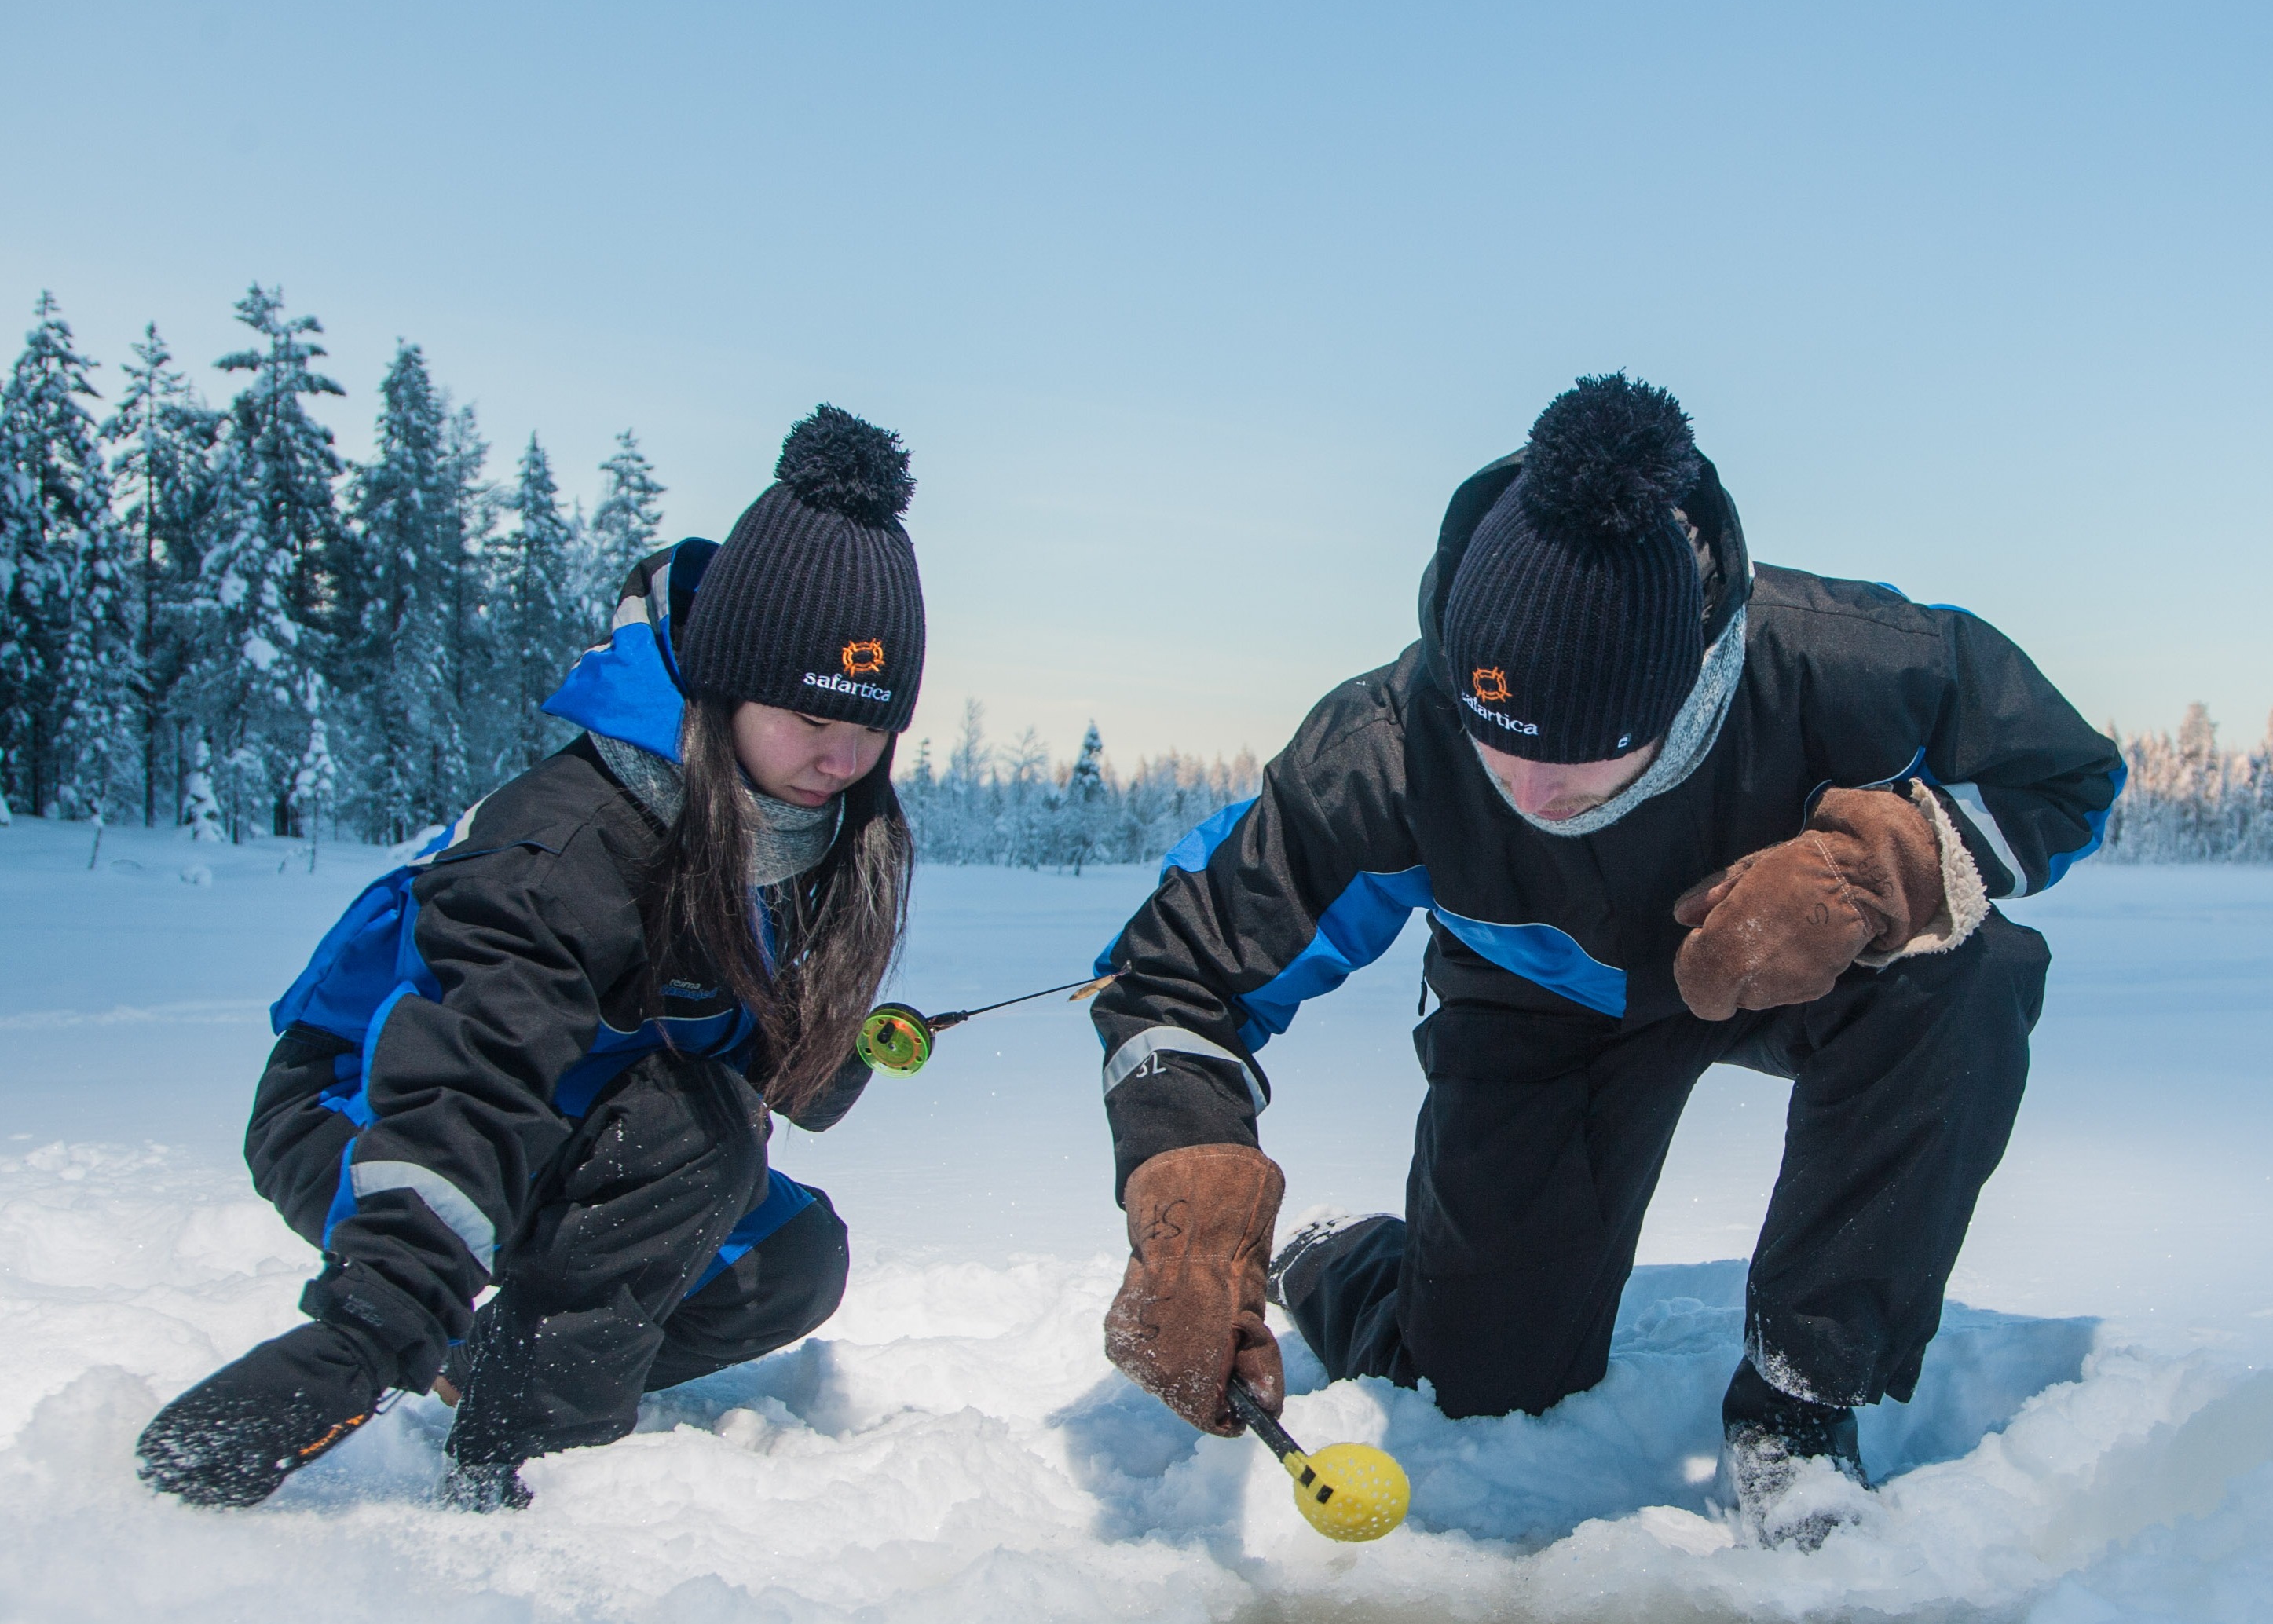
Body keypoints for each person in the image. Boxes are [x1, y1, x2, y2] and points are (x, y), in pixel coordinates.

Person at [1092, 374, 2124, 1526]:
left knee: (1969, 975)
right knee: (1484, 1384)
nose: (1531, 791)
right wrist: (1188, 1209)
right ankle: (1344, 1264)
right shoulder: (1386, 747)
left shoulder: (1844, 661)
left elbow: (2064, 775)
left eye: (1588, 754)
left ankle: (1801, 1405)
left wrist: (1869, 872)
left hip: (1788, 964)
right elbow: (1174, 977)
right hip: (1541, 1005)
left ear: (1688, 686)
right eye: (1495, 740)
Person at [137, 407, 926, 1511]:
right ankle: (523, 1458)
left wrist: (817, 1045)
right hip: (373, 1116)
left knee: (787, 1262)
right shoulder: (563, 847)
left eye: (872, 726)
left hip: (576, 1117)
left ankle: (486, 1371)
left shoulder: (784, 823)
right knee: (695, 1130)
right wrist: (379, 1322)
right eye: (806, 716)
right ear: (723, 683)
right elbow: (473, 1069)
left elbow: (700, 1014)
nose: (840, 758)